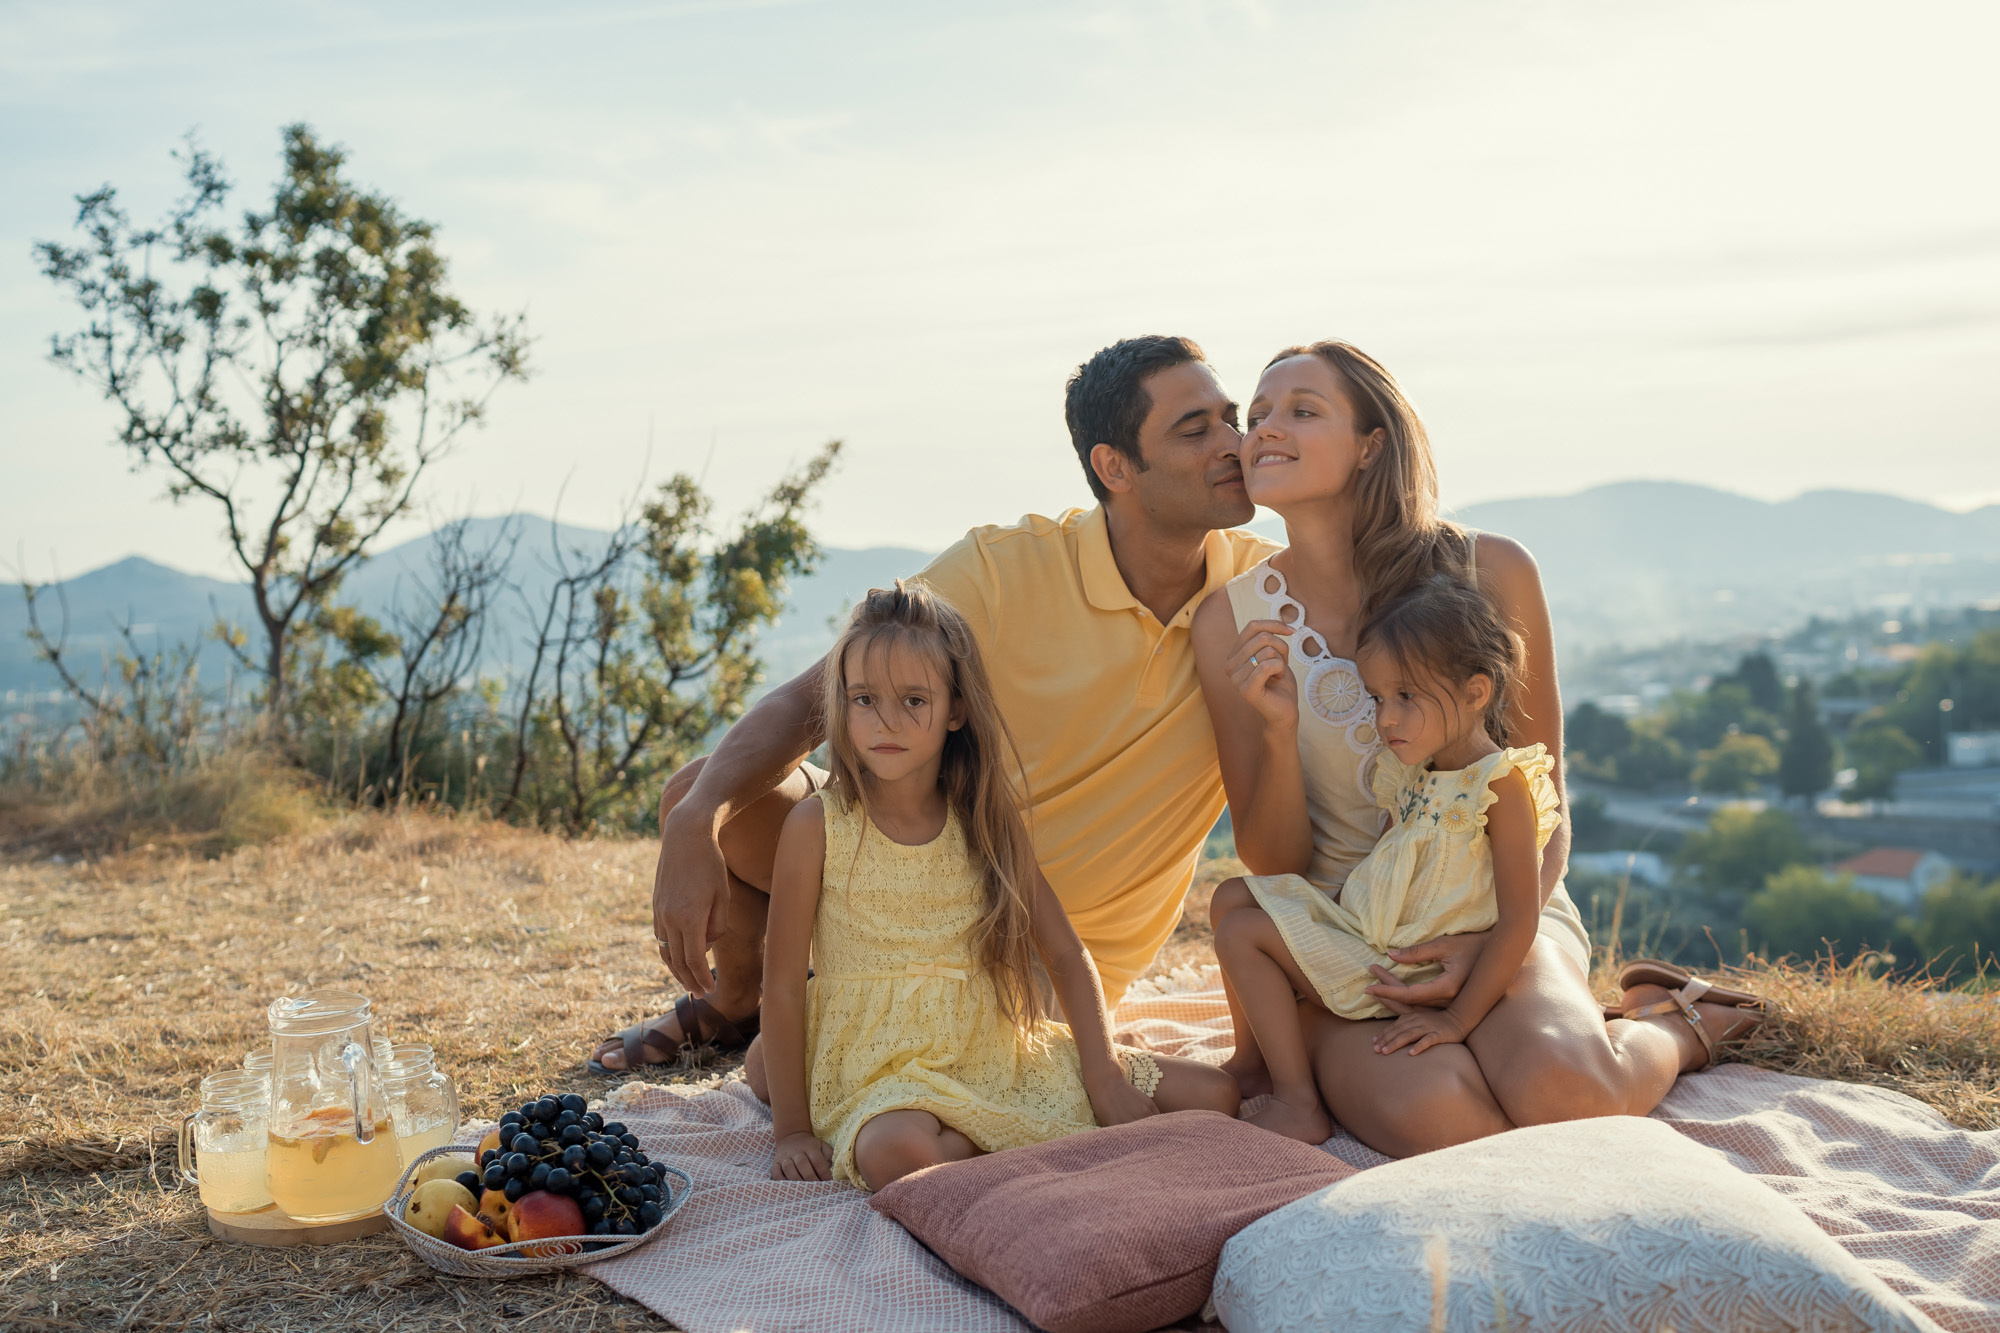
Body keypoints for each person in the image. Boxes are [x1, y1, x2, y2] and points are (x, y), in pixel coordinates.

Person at [591, 334, 1276, 1074]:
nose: (1236, 444)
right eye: (1196, 428)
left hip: (1047, 959)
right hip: (908, 881)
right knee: (704, 789)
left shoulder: (1269, 596)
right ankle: (736, 999)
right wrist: (697, 819)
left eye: (1231, 418)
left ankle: (817, 1002)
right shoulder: (1002, 568)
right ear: (1115, 466)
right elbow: (814, 701)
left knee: (798, 1074)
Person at [1196, 340, 1768, 1157]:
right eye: (1255, 417)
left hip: (1499, 906)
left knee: (1567, 1095)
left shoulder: (1490, 570)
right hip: (1348, 930)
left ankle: (1677, 1021)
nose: (1263, 430)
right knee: (1452, 1124)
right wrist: (1279, 735)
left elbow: (1545, 801)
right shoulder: (1231, 622)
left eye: (1300, 410)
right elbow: (1273, 861)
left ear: (1372, 442)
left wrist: (1487, 945)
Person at [763, 583, 1238, 1189]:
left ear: (956, 709)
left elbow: (1065, 952)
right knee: (896, 1151)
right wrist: (793, 1131)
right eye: (864, 699)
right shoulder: (817, 826)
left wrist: (1105, 1078)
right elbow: (781, 985)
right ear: (841, 703)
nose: (886, 721)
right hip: (879, 1068)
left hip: (995, 1053)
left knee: (1215, 1095)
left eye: (914, 700)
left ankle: (982, 1142)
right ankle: (1022, 1148)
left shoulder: (984, 819)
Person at [1214, 573, 1560, 1142]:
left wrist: (1456, 1019)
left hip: (1404, 966)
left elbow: (1520, 919)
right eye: (1378, 699)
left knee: (1240, 935)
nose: (1386, 719)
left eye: (1407, 697)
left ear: (1475, 693)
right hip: (1368, 931)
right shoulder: (1412, 773)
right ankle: (1253, 1063)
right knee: (1231, 896)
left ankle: (1299, 1102)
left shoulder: (1501, 787)